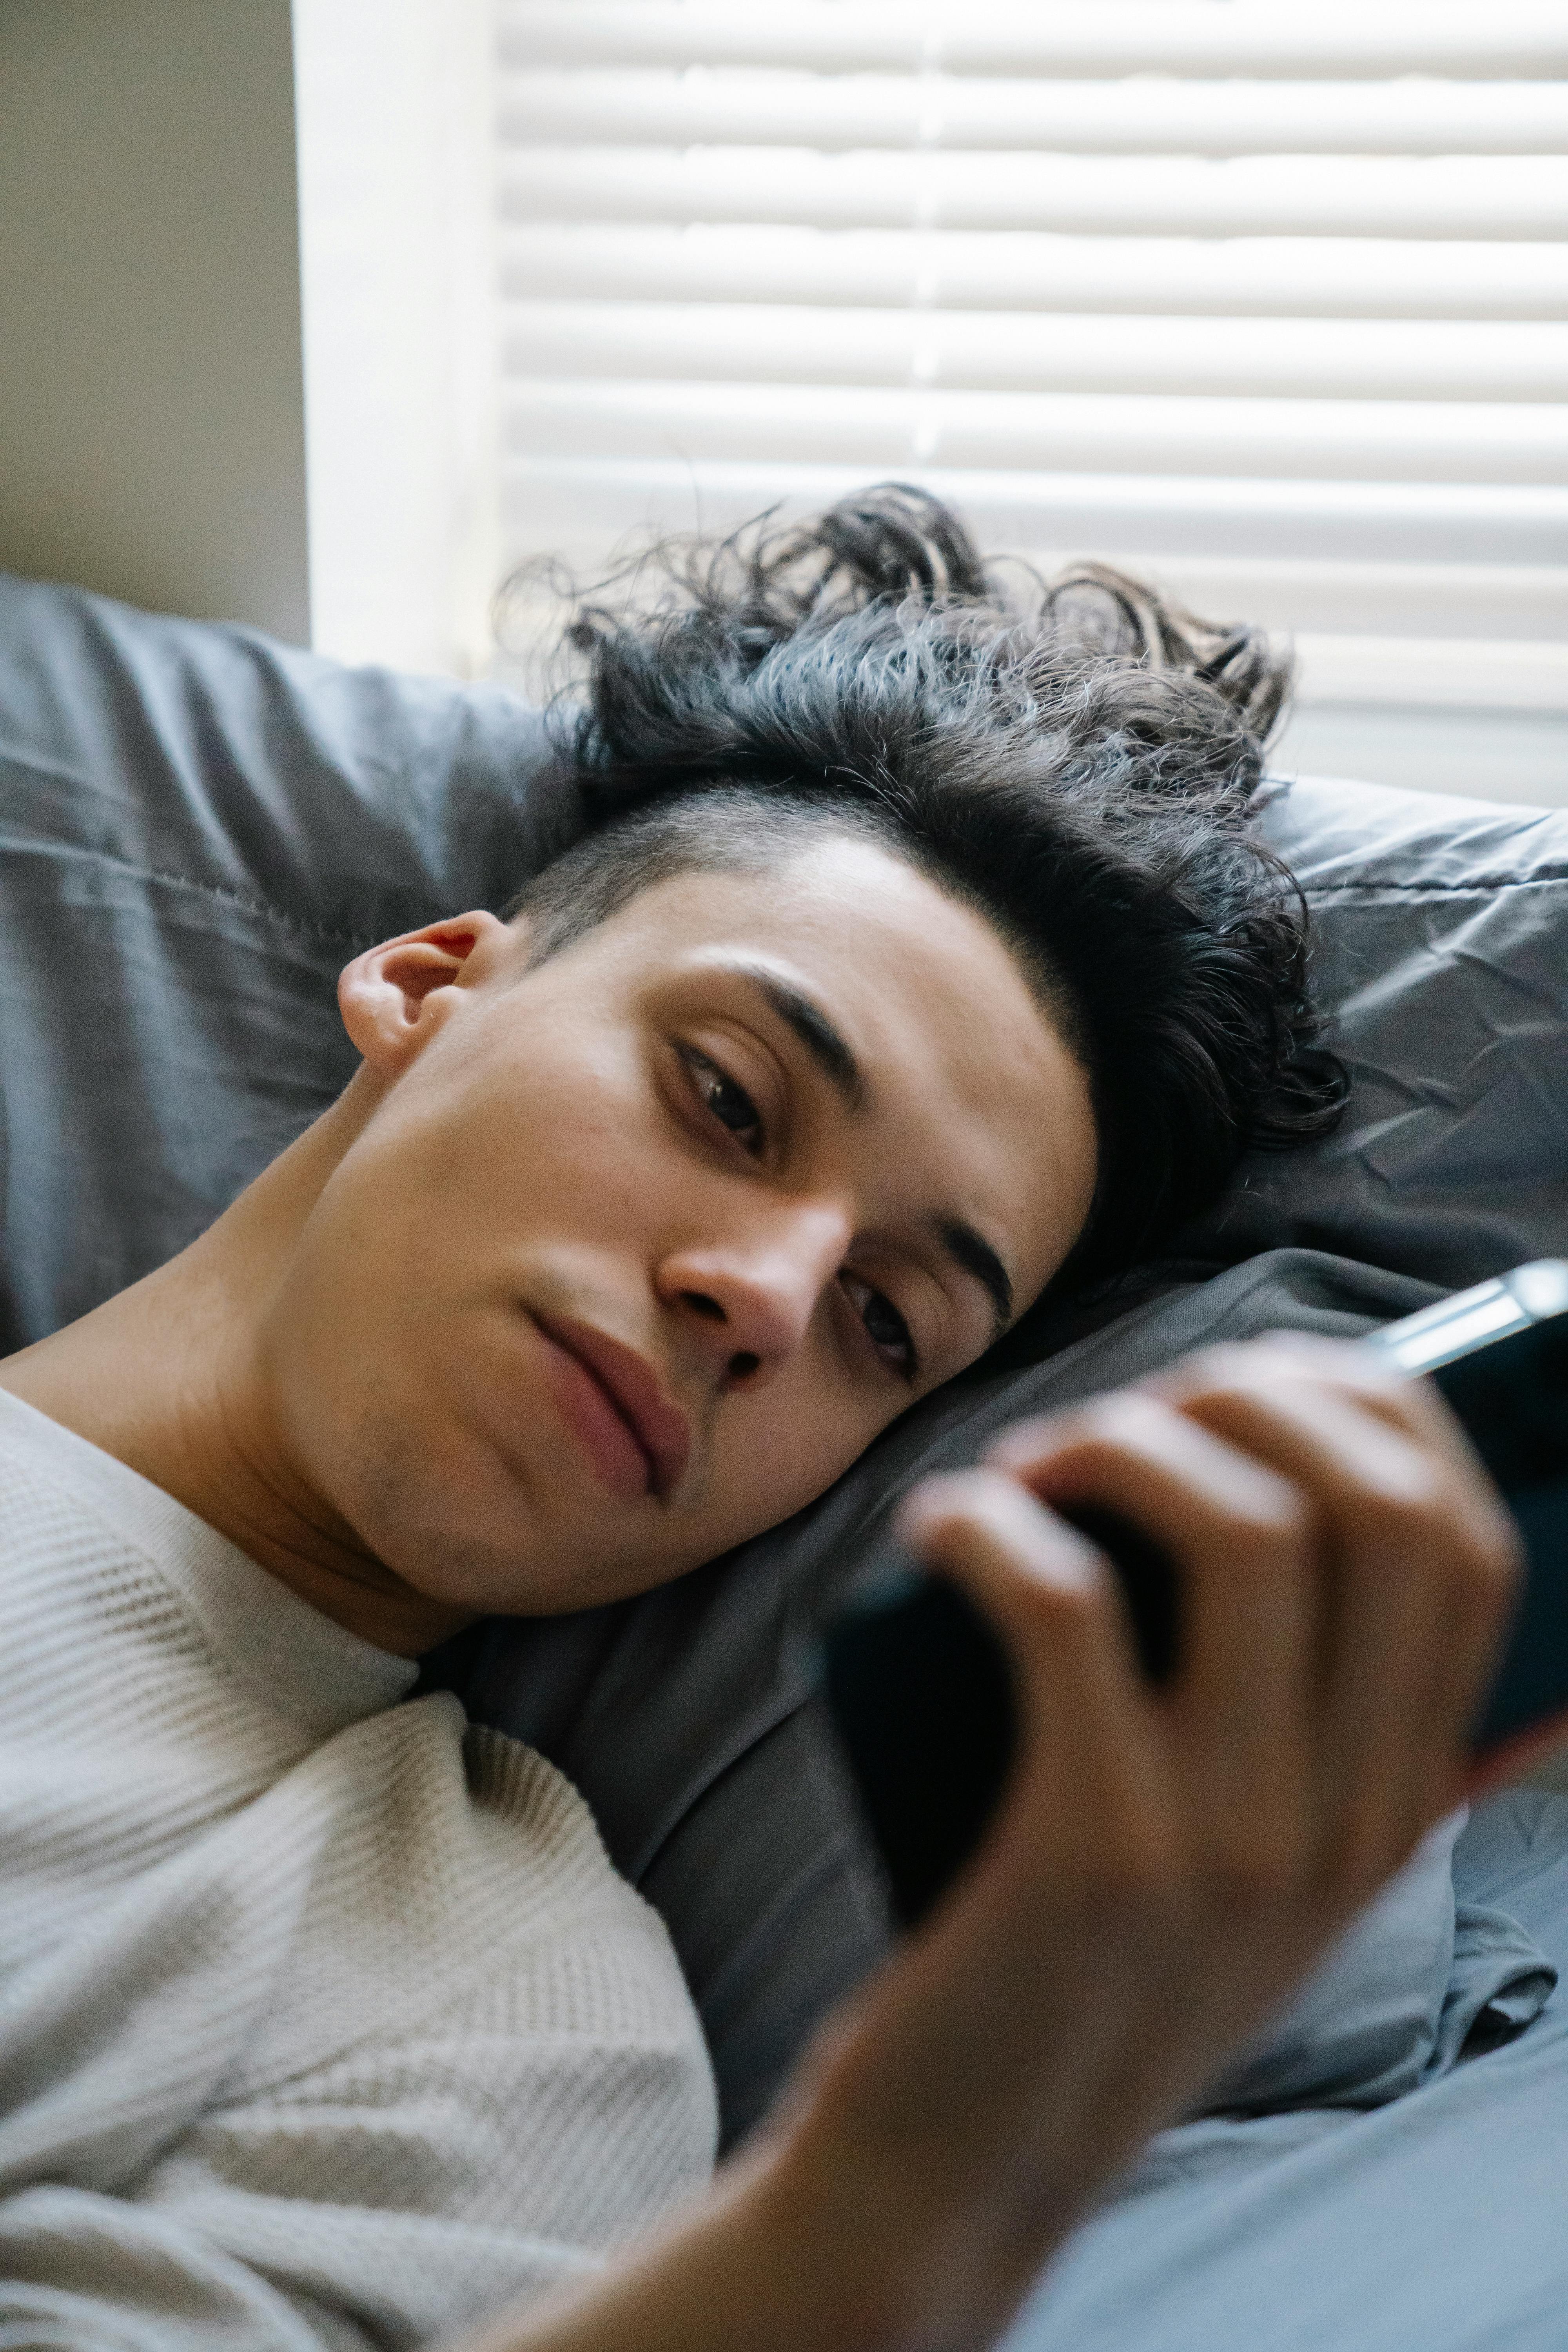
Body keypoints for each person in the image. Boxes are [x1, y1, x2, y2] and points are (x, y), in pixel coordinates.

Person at [0, 488, 1519, 2352]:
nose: (772, 1296)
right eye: (728, 1098)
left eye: (887, 1316)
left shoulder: (485, 2012)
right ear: (428, 983)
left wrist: (909, 2189)